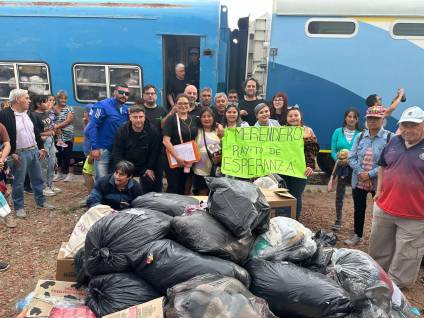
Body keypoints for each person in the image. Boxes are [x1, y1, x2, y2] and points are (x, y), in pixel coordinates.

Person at [368, 106, 424, 288]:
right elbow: (383, 165)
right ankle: (377, 277)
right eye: (404, 125)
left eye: (413, 125)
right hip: (385, 207)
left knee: (406, 254)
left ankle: (396, 288)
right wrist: (379, 190)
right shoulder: (393, 142)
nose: (407, 129)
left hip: (415, 213)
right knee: (378, 246)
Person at [0, 89, 54, 218]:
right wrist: (11, 153)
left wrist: (41, 148)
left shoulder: (29, 114)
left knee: (37, 178)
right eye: (27, 98)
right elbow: (3, 137)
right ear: (18, 100)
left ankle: (41, 201)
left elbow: (35, 132)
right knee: (18, 182)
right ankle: (19, 207)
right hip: (18, 154)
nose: (30, 100)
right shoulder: (4, 115)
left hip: (34, 150)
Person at [345, 105, 393, 245]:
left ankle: (377, 239)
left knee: (379, 212)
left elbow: (390, 161)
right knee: (359, 209)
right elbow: (351, 157)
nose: (372, 121)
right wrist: (360, 172)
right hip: (359, 180)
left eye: (376, 118)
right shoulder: (360, 136)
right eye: (370, 118)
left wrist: (370, 174)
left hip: (379, 182)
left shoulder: (390, 137)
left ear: (382, 119)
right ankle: (357, 235)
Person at [281, 106, 319, 220]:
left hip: (300, 169)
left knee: (296, 196)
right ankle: (284, 221)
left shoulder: (307, 130)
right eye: (290, 116)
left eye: (296, 115)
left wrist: (310, 166)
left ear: (300, 117)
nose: (293, 118)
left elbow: (313, 150)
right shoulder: (281, 131)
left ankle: (294, 221)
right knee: (284, 195)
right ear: (286, 118)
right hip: (283, 169)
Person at [112, 106, 161, 194]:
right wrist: (122, 169)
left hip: (145, 164)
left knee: (152, 180)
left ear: (144, 117)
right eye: (135, 117)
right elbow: (117, 151)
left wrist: (149, 168)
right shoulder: (122, 130)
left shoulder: (153, 131)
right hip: (127, 163)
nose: (138, 120)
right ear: (130, 118)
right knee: (116, 179)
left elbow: (154, 152)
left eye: (141, 117)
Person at [88, 84, 130, 179]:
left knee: (114, 179)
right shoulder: (102, 105)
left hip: (117, 151)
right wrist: (94, 147)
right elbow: (93, 126)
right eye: (121, 92)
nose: (124, 95)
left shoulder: (126, 109)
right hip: (103, 150)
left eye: (127, 93)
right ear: (114, 92)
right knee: (102, 180)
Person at [330, 108, 360, 230]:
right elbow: (333, 150)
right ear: (345, 118)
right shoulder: (338, 132)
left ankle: (357, 223)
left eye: (354, 117)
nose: (351, 119)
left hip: (354, 168)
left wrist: (349, 161)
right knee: (339, 195)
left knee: (357, 195)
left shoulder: (360, 134)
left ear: (357, 119)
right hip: (341, 168)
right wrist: (338, 160)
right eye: (349, 116)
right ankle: (338, 220)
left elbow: (360, 152)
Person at [162, 94, 198, 194]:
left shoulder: (194, 119)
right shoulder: (171, 119)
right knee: (174, 186)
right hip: (174, 158)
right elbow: (166, 141)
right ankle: (170, 208)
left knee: (184, 186)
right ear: (176, 106)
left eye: (186, 103)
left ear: (189, 104)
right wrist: (177, 157)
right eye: (180, 103)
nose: (183, 106)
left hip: (188, 159)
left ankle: (181, 208)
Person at [31, 95, 61, 196]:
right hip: (42, 142)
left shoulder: (45, 113)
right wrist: (47, 133)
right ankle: (43, 186)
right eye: (45, 102)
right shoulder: (33, 115)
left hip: (50, 141)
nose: (47, 103)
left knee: (52, 163)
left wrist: (53, 131)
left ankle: (50, 184)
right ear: (38, 104)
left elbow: (51, 125)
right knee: (43, 165)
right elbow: (34, 132)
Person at [193, 108, 222, 195]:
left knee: (216, 195)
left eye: (209, 116)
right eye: (204, 117)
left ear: (213, 118)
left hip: (216, 169)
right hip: (200, 170)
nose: (206, 119)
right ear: (200, 119)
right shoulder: (196, 131)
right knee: (203, 194)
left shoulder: (219, 131)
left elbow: (226, 147)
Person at [52, 90, 74, 182]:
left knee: (68, 154)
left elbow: (68, 120)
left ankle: (70, 173)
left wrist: (56, 126)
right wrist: (54, 128)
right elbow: (49, 119)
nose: (64, 100)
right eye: (62, 98)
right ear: (57, 99)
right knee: (58, 154)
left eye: (65, 98)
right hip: (56, 135)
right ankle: (59, 173)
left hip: (67, 135)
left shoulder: (70, 108)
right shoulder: (52, 108)